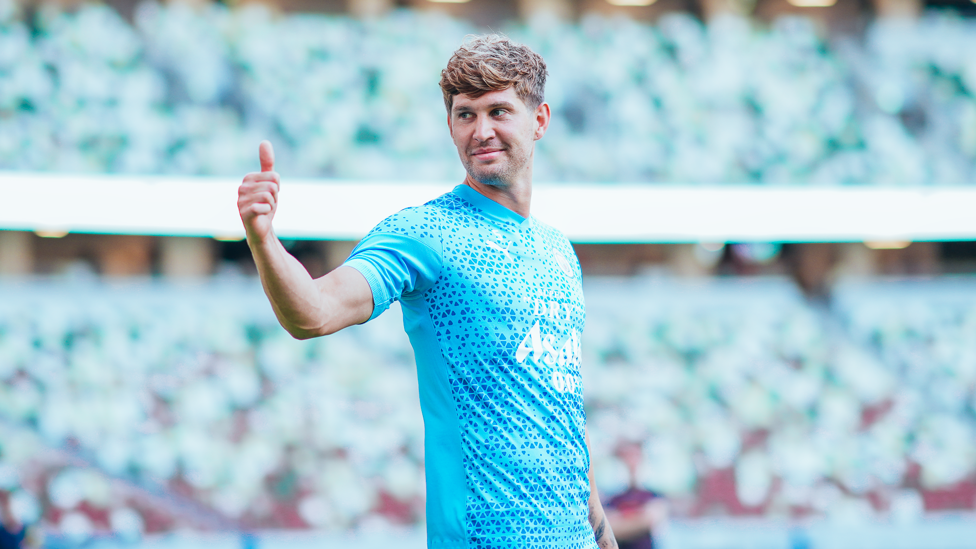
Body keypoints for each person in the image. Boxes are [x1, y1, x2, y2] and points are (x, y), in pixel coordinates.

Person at [238, 34, 618, 549]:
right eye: (466, 115)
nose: (481, 131)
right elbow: (314, 312)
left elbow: (562, 410)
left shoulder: (558, 250)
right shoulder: (425, 233)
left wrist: (602, 534)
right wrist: (263, 239)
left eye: (498, 111)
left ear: (540, 120)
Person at [604, 440, 667, 549]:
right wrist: (638, 519)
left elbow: (651, 519)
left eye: (635, 456)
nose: (631, 462)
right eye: (625, 456)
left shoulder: (653, 494)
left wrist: (622, 521)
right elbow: (608, 527)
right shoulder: (610, 497)